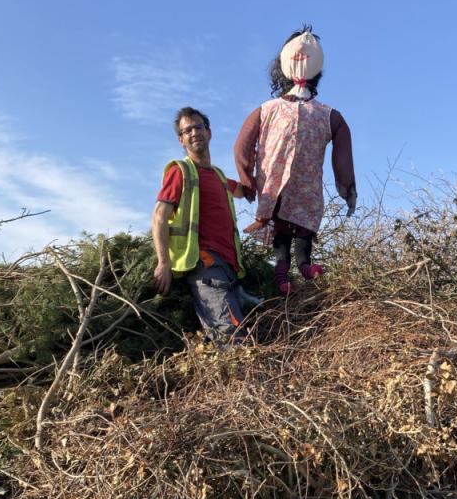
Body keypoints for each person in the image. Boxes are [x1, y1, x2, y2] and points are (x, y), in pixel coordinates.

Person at [234, 26, 357, 294]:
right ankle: (298, 267)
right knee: (299, 225)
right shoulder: (327, 115)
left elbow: (242, 146)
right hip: (300, 188)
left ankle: (290, 269)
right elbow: (343, 154)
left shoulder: (268, 110)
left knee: (287, 226)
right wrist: (348, 188)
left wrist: (248, 179)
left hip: (279, 186)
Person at [152, 106, 256, 341]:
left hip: (228, 268)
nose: (194, 133)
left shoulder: (219, 176)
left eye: (198, 127)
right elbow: (159, 216)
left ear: (209, 132)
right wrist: (163, 263)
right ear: (181, 140)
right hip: (206, 263)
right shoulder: (181, 172)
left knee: (232, 335)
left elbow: (245, 191)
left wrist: (260, 165)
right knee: (232, 338)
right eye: (187, 130)